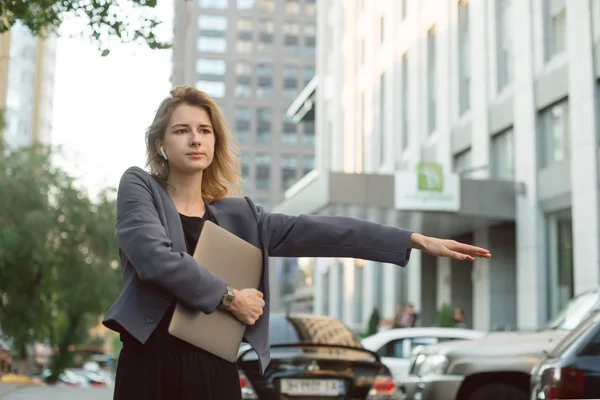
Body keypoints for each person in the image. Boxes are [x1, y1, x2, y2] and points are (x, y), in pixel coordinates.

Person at [102, 86, 491, 400]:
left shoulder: (240, 216)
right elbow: (155, 257)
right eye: (181, 130)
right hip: (150, 363)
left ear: (215, 142)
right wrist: (229, 297)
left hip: (213, 366)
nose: (195, 139)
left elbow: (325, 231)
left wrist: (413, 239)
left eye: (204, 130)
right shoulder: (140, 187)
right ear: (160, 145)